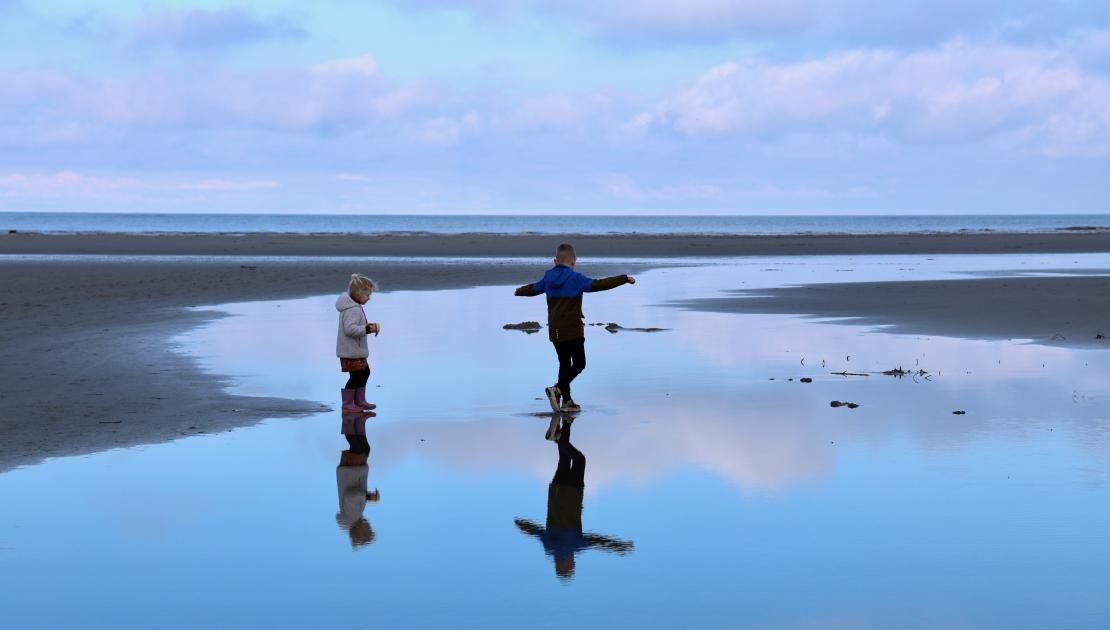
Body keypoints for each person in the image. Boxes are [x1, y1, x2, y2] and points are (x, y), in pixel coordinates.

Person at [514, 244, 636, 412]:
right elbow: (600, 284)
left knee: (564, 364)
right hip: (573, 330)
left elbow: (534, 288)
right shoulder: (576, 279)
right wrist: (624, 278)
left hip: (555, 331)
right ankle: (556, 389)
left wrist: (519, 291)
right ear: (574, 262)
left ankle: (567, 401)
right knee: (579, 364)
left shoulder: (548, 278)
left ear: (555, 261)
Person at [514, 418, 634, 579]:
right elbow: (534, 530)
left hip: (573, 493)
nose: (574, 562)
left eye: (572, 565)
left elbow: (600, 541)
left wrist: (620, 546)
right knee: (564, 459)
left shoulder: (574, 545)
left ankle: (559, 437)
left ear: (567, 563)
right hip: (556, 492)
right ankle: (567, 423)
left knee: (579, 459)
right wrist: (520, 523)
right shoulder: (548, 546)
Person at [336, 274, 381, 413]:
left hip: (355, 350)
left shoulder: (353, 307)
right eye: (367, 295)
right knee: (356, 376)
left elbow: (355, 326)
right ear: (358, 294)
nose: (369, 298)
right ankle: (347, 404)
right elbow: (350, 329)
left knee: (364, 372)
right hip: (351, 351)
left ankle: (359, 400)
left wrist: (366, 326)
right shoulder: (353, 309)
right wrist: (367, 329)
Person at [337, 411, 380, 549]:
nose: (369, 526)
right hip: (353, 471)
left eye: (367, 530)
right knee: (363, 447)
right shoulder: (355, 516)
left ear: (359, 532)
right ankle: (355, 420)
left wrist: (367, 496)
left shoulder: (351, 516)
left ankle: (350, 418)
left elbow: (350, 496)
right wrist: (366, 497)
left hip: (351, 471)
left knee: (359, 447)